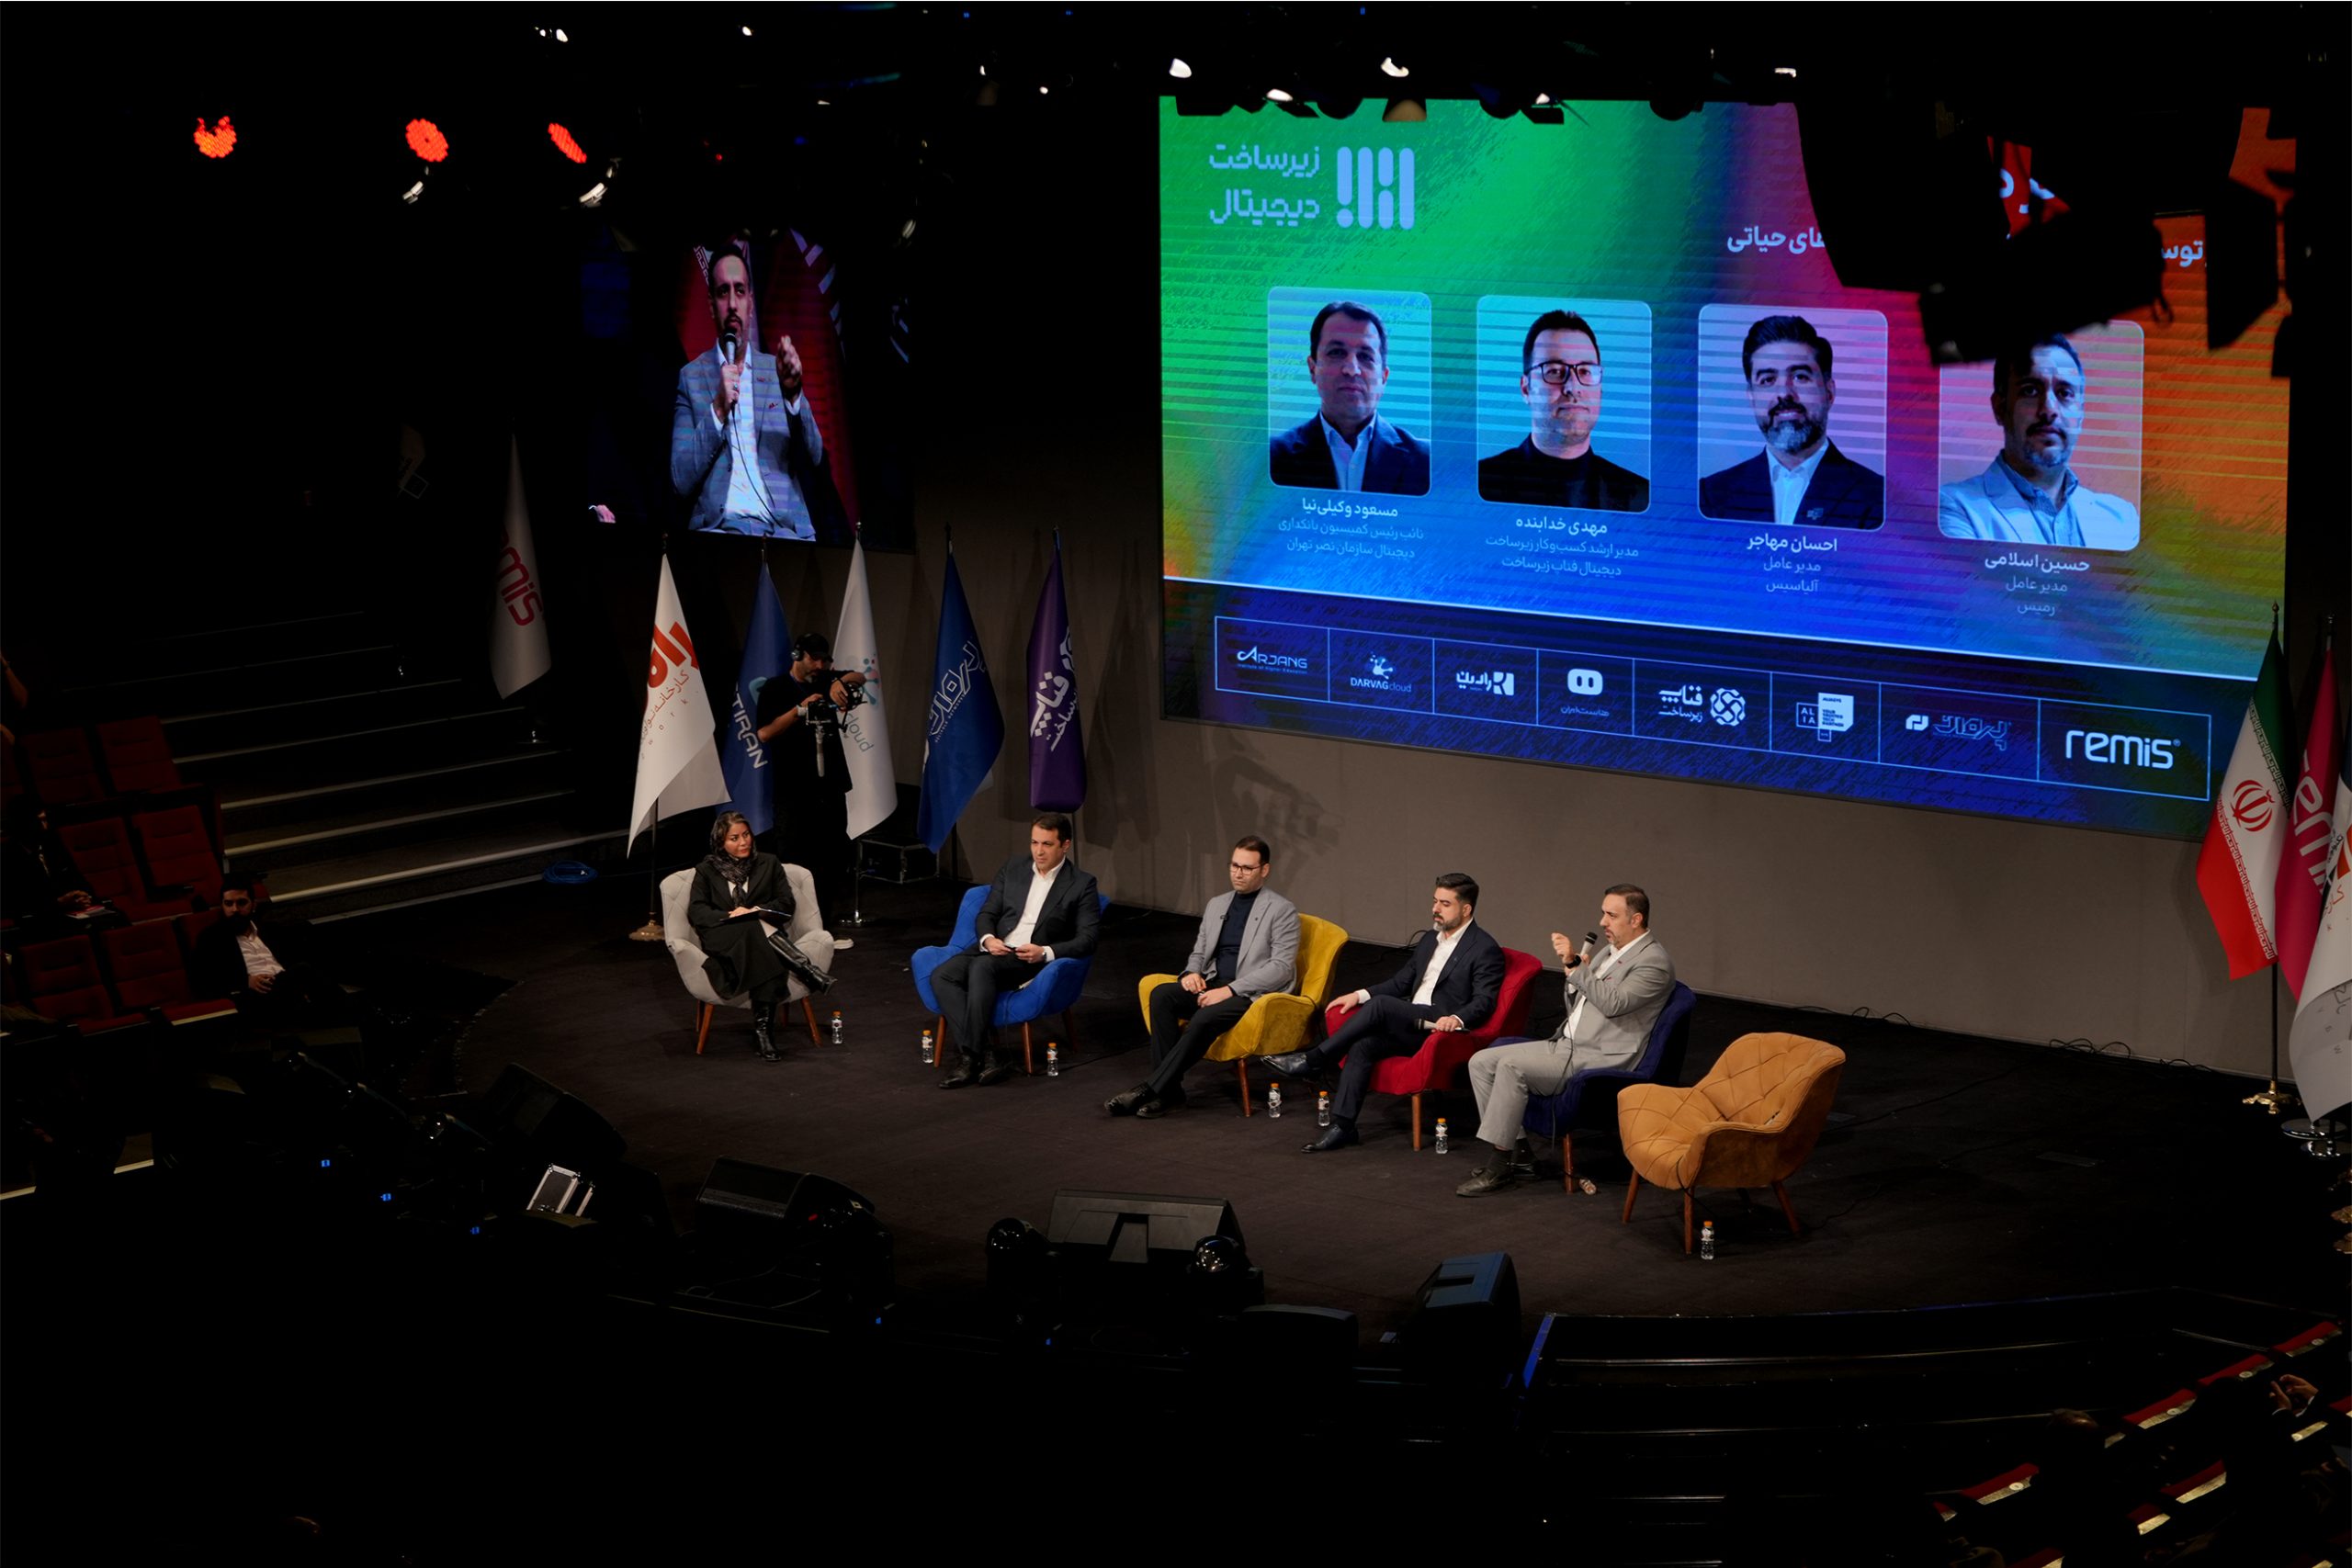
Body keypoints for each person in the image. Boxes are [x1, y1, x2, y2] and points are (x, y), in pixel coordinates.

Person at [1453, 885, 1674, 1196]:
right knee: (1481, 1062)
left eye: (1611, 916)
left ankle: (1499, 1166)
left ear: (1636, 919)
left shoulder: (1654, 962)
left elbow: (1614, 1004)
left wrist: (1578, 969)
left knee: (1511, 1066)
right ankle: (1523, 1157)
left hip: (1600, 1055)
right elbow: (1581, 998)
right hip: (1568, 1044)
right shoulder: (1611, 951)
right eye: (1603, 913)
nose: (1603, 922)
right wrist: (1575, 974)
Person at [1266, 873, 1503, 1152]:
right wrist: (1358, 995)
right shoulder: (1430, 939)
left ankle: (1315, 1059)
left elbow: (1484, 1000)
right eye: (1435, 901)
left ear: (1466, 909)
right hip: (1412, 1023)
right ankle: (1343, 1126)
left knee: (1380, 1006)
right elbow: (1401, 983)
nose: (1435, 909)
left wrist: (1456, 1018)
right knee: (1363, 1046)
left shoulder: (1484, 948)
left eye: (1445, 903)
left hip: (1441, 1027)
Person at [1105, 836, 1299, 1120]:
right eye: (1234, 865)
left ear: (1264, 870)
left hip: (1250, 994)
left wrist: (1231, 990)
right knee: (1161, 995)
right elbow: (1200, 951)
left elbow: (1281, 968)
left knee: (1205, 1017)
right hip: (1214, 983)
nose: (1238, 873)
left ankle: (1151, 1089)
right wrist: (1191, 973)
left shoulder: (1281, 910)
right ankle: (1170, 1093)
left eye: (1247, 868)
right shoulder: (1217, 905)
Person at [933, 814, 1102, 1089]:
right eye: (1034, 842)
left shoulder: (1082, 884)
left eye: (1047, 844)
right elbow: (987, 912)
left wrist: (1044, 952)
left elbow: (1088, 939)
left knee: (982, 967)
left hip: (1031, 957)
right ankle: (986, 1054)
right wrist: (988, 939)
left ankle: (969, 1059)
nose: (1039, 851)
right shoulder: (1013, 867)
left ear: (1065, 845)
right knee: (942, 975)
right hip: (997, 948)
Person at [670, 244, 825, 538]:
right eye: (723, 292)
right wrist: (717, 409)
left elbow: (815, 457)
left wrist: (794, 395)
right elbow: (680, 479)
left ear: (751, 302)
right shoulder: (691, 378)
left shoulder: (776, 371)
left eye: (740, 291)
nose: (732, 304)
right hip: (721, 533)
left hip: (783, 533)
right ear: (711, 304)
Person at [1937, 334, 2141, 550]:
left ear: (2080, 413)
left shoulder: (2122, 520)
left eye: (2064, 393)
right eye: (2030, 390)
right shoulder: (1953, 508)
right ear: (2000, 408)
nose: (2049, 410)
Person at [1699, 314, 1883, 529]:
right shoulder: (1710, 496)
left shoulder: (1878, 498)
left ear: (1829, 392)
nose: (1784, 393)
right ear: (1752, 397)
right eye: (1767, 380)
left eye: (1800, 376)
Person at [752, 631, 867, 941]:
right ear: (797, 656)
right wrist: (799, 710)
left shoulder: (825, 678)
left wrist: (839, 682)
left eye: (824, 660)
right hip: (794, 790)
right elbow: (764, 733)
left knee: (831, 858)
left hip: (829, 788)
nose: (819, 665)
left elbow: (861, 676)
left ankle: (823, 930)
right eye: (813, 659)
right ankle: (792, 930)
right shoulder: (776, 688)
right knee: (794, 859)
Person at [1477, 309, 1649, 512]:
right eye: (1555, 371)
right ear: (1526, 389)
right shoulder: (1480, 484)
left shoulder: (1639, 497)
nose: (1573, 387)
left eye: (1585, 371)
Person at [687, 811, 819, 1062]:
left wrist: (756, 910)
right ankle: (805, 969)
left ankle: (763, 1033)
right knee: (752, 927)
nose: (743, 842)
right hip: (723, 936)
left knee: (756, 935)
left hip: (759, 939)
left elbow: (786, 902)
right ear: (720, 843)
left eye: (746, 835)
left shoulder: (768, 863)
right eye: (734, 838)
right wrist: (731, 914)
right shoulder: (706, 870)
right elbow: (697, 910)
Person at [1267, 301, 1431, 496]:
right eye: (1336, 353)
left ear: (1384, 378)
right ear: (1312, 369)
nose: (1352, 369)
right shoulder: (1271, 458)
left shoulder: (1426, 461)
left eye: (1366, 356)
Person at [190, 876, 342, 1024]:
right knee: (305, 972)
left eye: (241, 903)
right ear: (222, 906)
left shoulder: (271, 930)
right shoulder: (211, 938)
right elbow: (204, 981)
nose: (234, 909)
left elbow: (292, 959)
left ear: (253, 905)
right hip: (255, 993)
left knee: (313, 959)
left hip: (286, 981)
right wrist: (246, 981)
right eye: (228, 904)